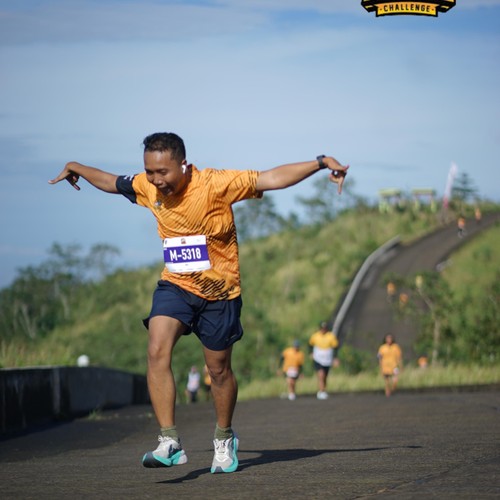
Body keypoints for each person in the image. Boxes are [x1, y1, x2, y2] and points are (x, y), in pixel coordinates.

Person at [49, 132, 349, 474]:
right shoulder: (147, 186)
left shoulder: (215, 184)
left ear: (183, 164)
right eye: (150, 172)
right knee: (156, 349)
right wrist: (76, 166)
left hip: (220, 293)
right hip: (175, 286)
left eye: (163, 172)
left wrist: (320, 162)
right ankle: (169, 441)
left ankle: (224, 437)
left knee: (218, 371)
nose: (156, 180)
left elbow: (272, 178)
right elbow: (111, 182)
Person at [308, 321, 339, 400]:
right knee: (321, 374)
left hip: (327, 359)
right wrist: (310, 353)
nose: (323, 330)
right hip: (318, 358)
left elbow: (335, 347)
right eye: (322, 328)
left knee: (325, 376)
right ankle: (321, 391)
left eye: (324, 328)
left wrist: (335, 358)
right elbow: (310, 345)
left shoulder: (331, 336)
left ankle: (323, 390)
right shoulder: (315, 336)